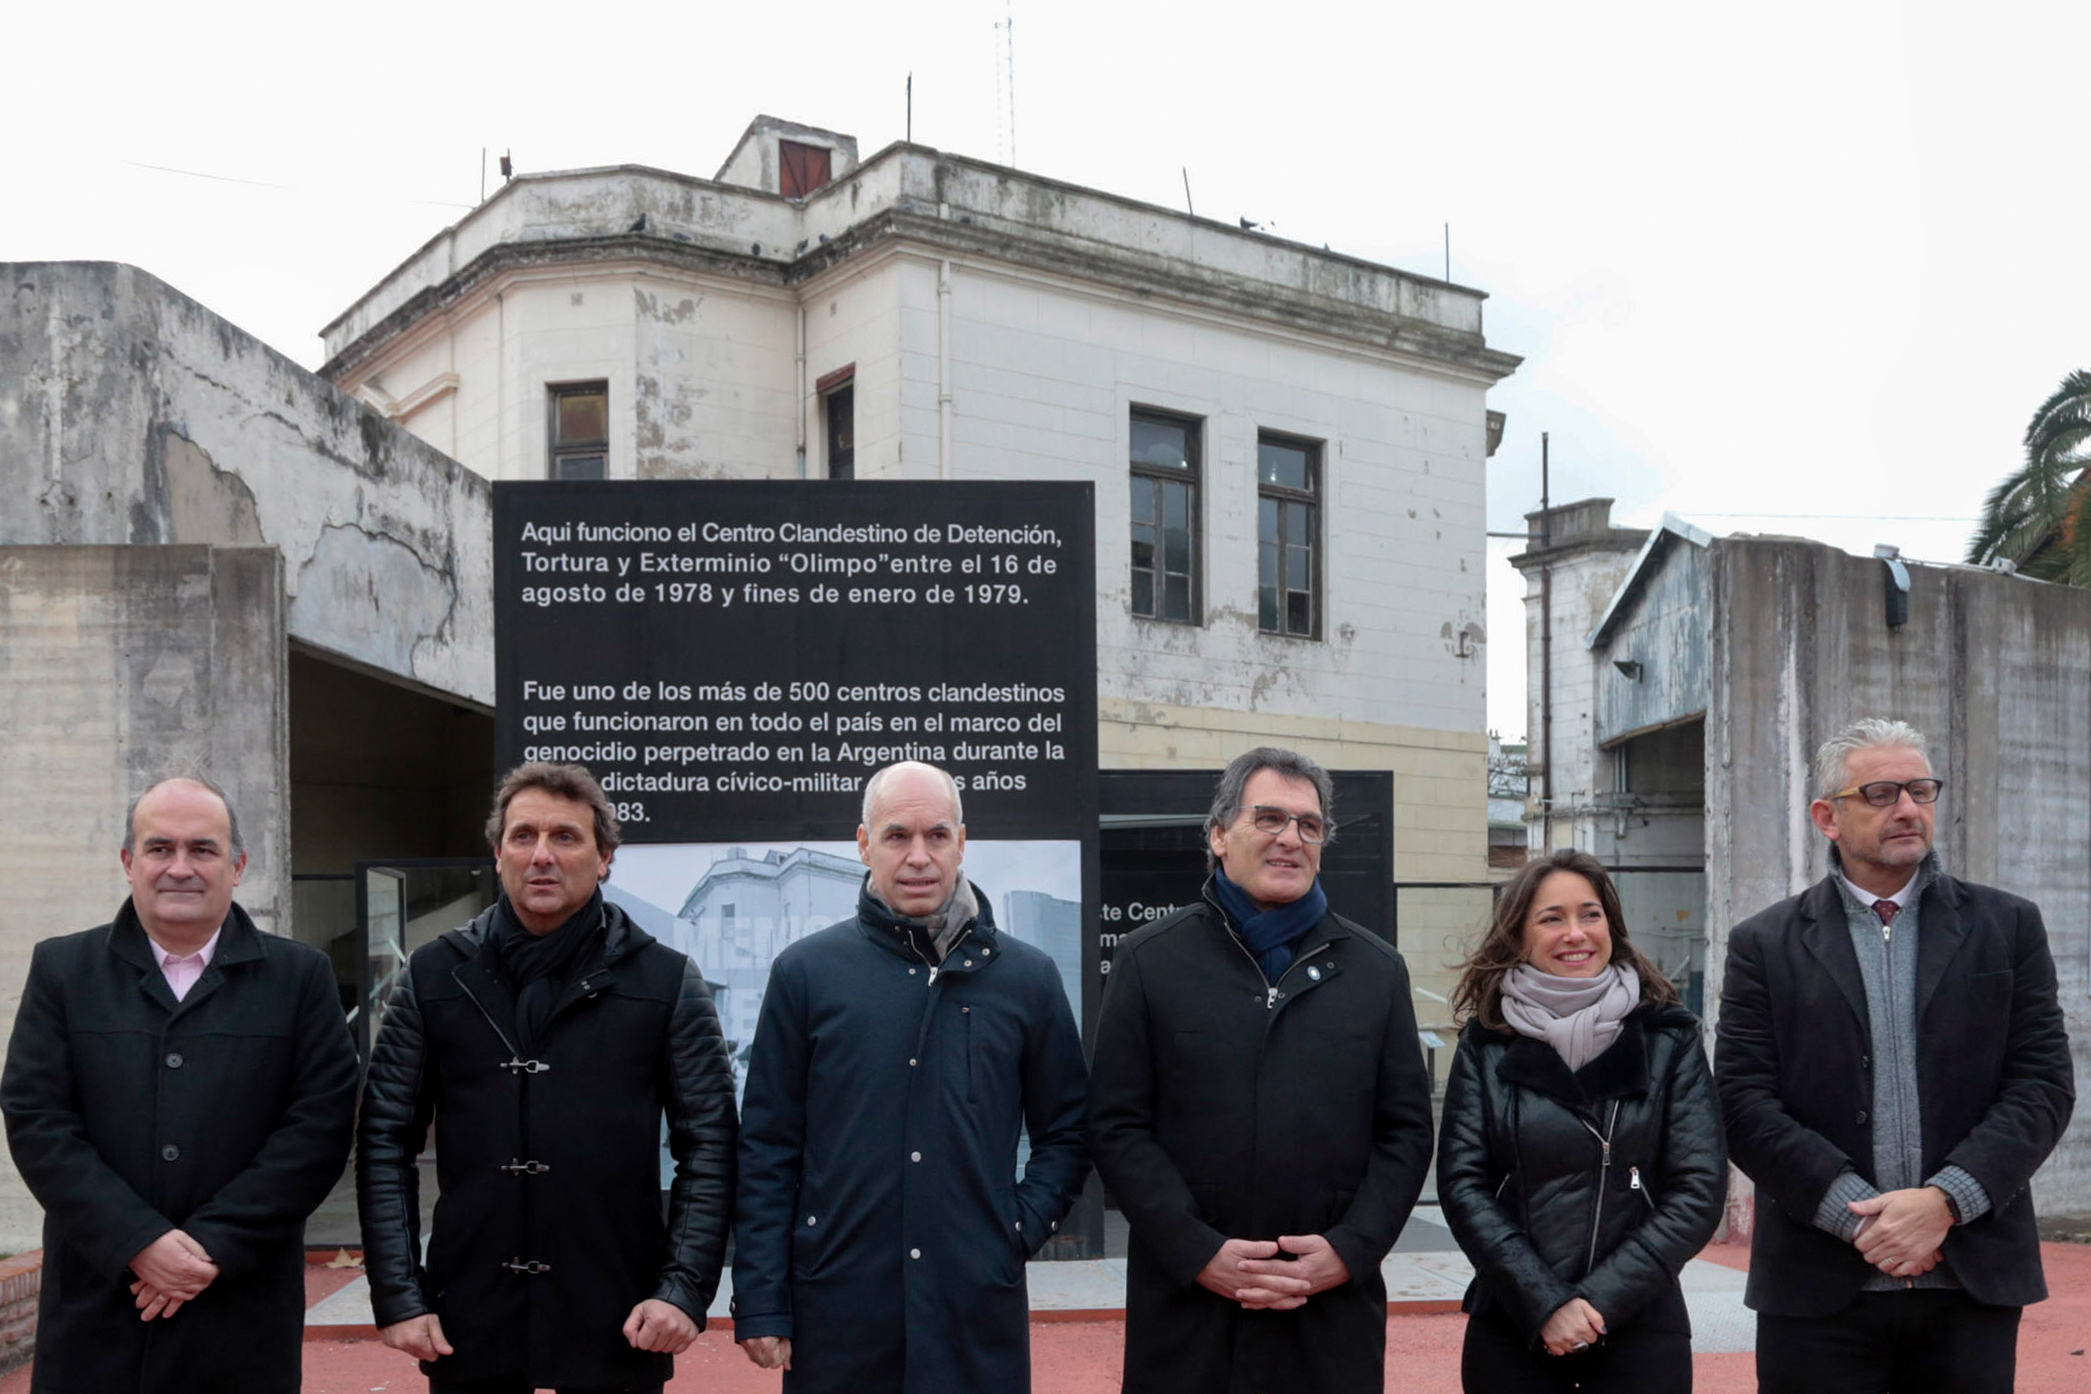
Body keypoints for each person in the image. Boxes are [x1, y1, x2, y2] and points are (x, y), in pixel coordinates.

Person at [1716, 718, 2074, 1394]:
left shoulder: (2006, 926)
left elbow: (2041, 1086)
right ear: (1828, 816)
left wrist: (1944, 1202)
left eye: (1919, 790)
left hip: (1967, 1283)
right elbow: (1741, 1101)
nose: (1907, 809)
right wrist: (1860, 1219)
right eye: (1880, 793)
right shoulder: (1763, 943)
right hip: (1817, 1289)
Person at [357, 761, 737, 1394]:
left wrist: (684, 1288)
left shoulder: (668, 980)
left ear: (605, 856)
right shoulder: (432, 975)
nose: (542, 855)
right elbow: (383, 1139)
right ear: (498, 853)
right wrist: (399, 1294)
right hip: (468, 1318)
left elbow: (711, 1142)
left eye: (565, 837)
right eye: (523, 836)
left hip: (621, 1317)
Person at [732, 760, 1089, 1393]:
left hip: (973, 1308)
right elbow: (767, 1147)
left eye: (937, 836)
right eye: (897, 836)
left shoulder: (1027, 979)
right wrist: (761, 1293)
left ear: (962, 841)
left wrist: (1013, 1230)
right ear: (865, 843)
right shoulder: (806, 974)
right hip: (839, 1310)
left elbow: (1068, 1129)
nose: (918, 856)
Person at [1087, 746, 1434, 1394]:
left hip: (1326, 1316)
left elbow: (1406, 1132)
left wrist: (1349, 1250)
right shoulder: (1148, 961)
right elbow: (1116, 1126)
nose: (1289, 839)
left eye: (1307, 825)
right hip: (1188, 1314)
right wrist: (1197, 1252)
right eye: (1268, 818)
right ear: (1219, 836)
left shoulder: (1375, 970)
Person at [2, 772, 359, 1394]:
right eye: (160, 848)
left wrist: (210, 1246)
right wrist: (136, 1241)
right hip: (99, 1304)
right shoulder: (63, 970)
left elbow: (320, 1129)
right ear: (128, 861)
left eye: (203, 849)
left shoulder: (301, 978)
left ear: (239, 864)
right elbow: (38, 1121)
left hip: (239, 1310)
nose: (180, 867)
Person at [1436, 849, 1726, 1392]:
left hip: (1641, 1322)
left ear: (1611, 925)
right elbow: (1463, 1184)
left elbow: (1698, 1187)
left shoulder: (1670, 1036)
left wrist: (1597, 1301)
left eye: (1590, 915)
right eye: (1552, 918)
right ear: (1520, 934)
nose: (1576, 933)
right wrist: (1544, 1302)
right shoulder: (1487, 1042)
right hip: (1514, 1322)